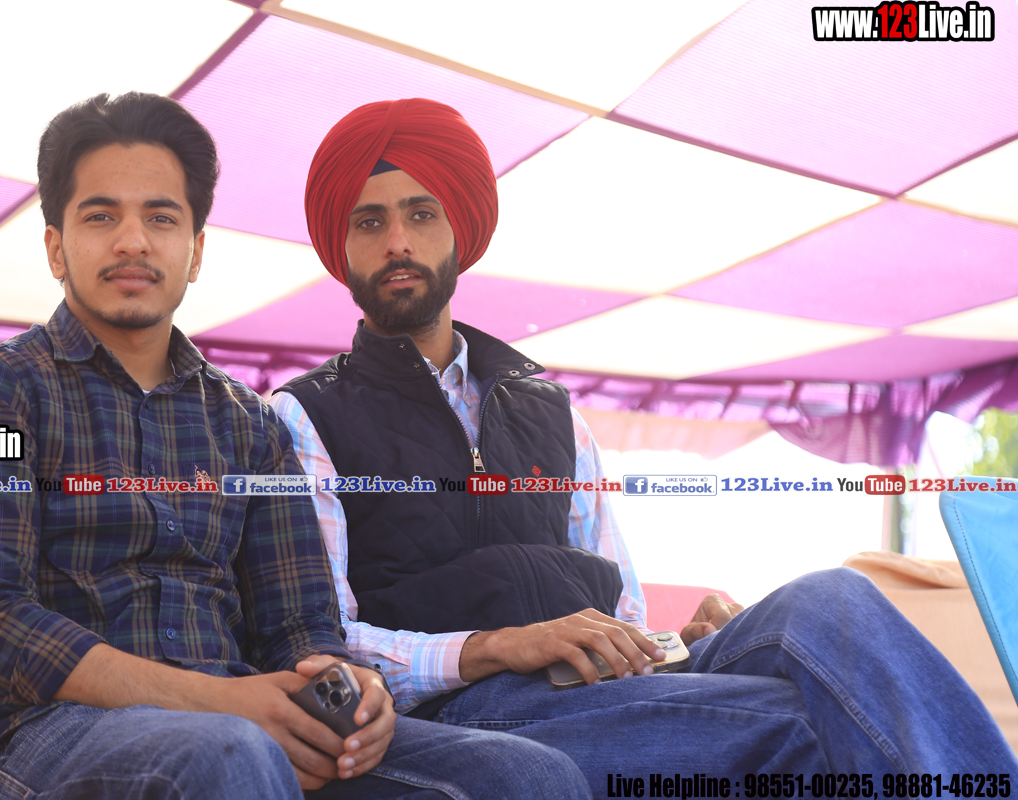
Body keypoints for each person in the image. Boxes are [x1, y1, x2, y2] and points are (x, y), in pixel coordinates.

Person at [270, 97, 1018, 791]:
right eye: (369, 222)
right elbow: (320, 643)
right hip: (469, 712)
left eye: (421, 213)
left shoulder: (552, 412)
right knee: (800, 721)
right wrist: (498, 645)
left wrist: (674, 644)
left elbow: (622, 613)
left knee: (836, 602)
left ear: (459, 230)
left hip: (603, 685)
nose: (398, 241)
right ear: (342, 246)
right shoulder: (306, 417)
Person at [0, 92, 592, 800]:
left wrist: (348, 691)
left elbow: (299, 623)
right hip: (47, 731)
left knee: (529, 775)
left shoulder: (251, 423)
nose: (133, 241)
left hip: (243, 727)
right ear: (56, 247)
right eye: (101, 216)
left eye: (161, 217)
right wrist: (218, 704)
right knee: (227, 755)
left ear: (195, 252)